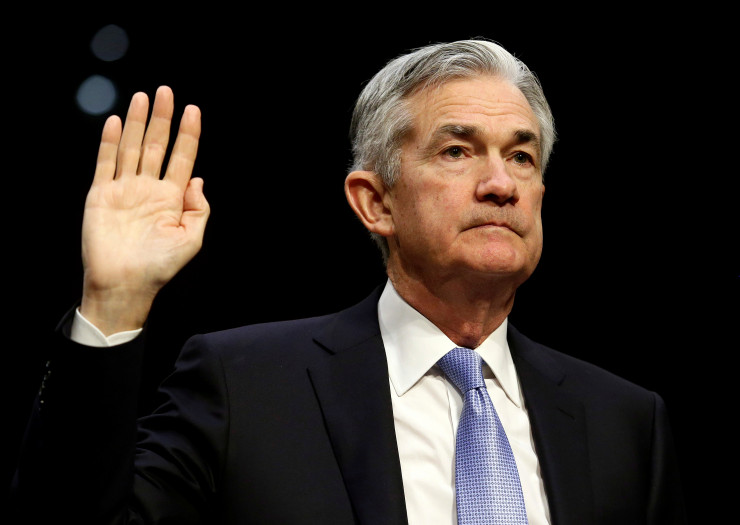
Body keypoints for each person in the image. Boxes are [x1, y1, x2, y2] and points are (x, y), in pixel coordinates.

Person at [10, 39, 686, 524]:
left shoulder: (625, 422)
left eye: (522, 156)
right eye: (457, 150)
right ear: (375, 202)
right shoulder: (245, 387)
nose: (500, 184)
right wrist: (113, 302)